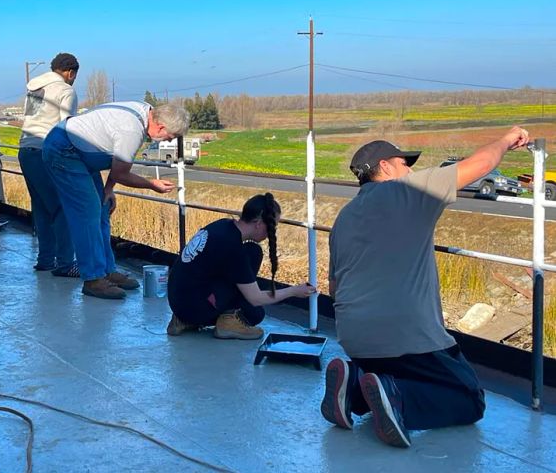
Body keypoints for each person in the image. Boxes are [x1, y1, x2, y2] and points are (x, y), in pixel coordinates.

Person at [321, 126, 530, 448]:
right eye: (405, 163)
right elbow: (478, 165)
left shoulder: (345, 217)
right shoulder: (410, 191)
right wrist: (506, 140)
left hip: (353, 336)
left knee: (393, 369)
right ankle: (398, 399)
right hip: (405, 333)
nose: (411, 169)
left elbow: (334, 289)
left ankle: (353, 388)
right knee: (469, 397)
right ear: (386, 167)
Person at [42, 101, 189, 299]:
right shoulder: (131, 130)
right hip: (64, 151)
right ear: (161, 126)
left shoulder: (146, 111)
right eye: (170, 137)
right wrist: (152, 185)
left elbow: (117, 163)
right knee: (87, 213)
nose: (168, 141)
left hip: (75, 149)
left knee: (101, 207)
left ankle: (107, 270)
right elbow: (121, 173)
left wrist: (108, 189)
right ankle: (93, 278)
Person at [167, 192, 317, 339]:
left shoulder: (222, 226)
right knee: (254, 312)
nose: (272, 233)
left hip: (178, 300)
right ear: (258, 223)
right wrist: (294, 291)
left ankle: (184, 321)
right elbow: (256, 298)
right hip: (193, 307)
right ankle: (226, 323)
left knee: (252, 253)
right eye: (272, 226)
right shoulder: (232, 246)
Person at [19, 53, 79, 275]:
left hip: (26, 150)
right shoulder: (65, 90)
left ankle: (45, 259)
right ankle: (65, 263)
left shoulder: (34, 88)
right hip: (46, 151)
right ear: (70, 73)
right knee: (62, 207)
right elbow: (66, 127)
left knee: (42, 207)